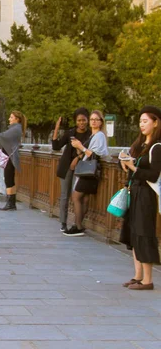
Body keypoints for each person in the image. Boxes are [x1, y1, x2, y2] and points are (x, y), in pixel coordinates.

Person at [119, 106, 161, 290]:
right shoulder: (140, 144)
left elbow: (153, 174)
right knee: (134, 232)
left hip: (147, 193)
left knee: (144, 232)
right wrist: (125, 163)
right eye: (140, 122)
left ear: (156, 122)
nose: (141, 125)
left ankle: (148, 279)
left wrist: (134, 167)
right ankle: (138, 275)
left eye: (145, 121)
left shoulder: (157, 147)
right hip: (135, 191)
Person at [64, 110, 109, 237]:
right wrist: (79, 148)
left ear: (101, 122)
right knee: (84, 199)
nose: (94, 121)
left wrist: (81, 146)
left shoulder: (99, 136)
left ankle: (77, 226)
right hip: (88, 170)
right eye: (92, 119)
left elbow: (96, 155)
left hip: (90, 171)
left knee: (76, 197)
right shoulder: (93, 136)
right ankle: (78, 225)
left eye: (96, 119)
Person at [51, 108, 91, 232]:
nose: (82, 123)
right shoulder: (70, 133)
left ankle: (76, 223)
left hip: (81, 168)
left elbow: (90, 151)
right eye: (79, 120)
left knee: (77, 197)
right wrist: (57, 128)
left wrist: (78, 158)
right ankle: (63, 222)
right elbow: (56, 146)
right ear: (75, 121)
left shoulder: (90, 135)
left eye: (84, 120)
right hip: (66, 167)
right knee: (65, 195)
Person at [0, 111, 27, 211]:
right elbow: (2, 136)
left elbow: (2, 136)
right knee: (9, 179)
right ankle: (11, 202)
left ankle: (10, 203)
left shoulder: (16, 129)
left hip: (10, 158)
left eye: (11, 117)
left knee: (8, 180)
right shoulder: (15, 128)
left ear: (17, 119)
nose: (9, 119)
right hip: (9, 157)